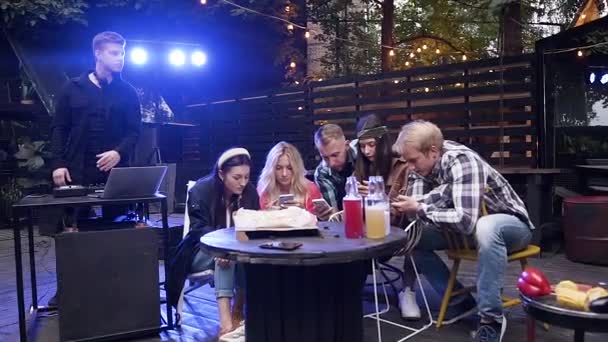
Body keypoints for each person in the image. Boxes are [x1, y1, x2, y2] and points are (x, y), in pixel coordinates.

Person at [390, 120, 533, 342]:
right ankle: (462, 305)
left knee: (486, 227)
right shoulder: (420, 165)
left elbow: (465, 220)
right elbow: (416, 212)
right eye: (406, 161)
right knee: (412, 238)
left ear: (433, 151)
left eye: (413, 160)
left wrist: (420, 207)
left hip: (511, 226)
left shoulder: (461, 160)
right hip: (470, 232)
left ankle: (491, 319)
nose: (409, 167)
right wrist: (404, 206)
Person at [46, 31, 141, 307]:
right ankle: (67, 289)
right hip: (77, 169)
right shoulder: (71, 88)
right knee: (72, 230)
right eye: (114, 53)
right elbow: (59, 129)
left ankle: (117, 286)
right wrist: (58, 163)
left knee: (118, 226)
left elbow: (135, 132)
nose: (120, 58)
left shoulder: (128, 92)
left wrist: (118, 152)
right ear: (98, 53)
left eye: (122, 53)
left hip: (114, 172)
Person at [168, 148, 259, 336]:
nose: (243, 183)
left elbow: (253, 228)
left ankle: (237, 313)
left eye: (246, 177)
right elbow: (198, 231)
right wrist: (222, 249)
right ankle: (226, 325)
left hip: (235, 252)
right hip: (200, 251)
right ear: (221, 174)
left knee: (240, 256)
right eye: (237, 177)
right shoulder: (201, 190)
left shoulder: (250, 193)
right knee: (226, 257)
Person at [257, 141, 322, 214]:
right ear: (271, 170)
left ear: (296, 168)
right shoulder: (264, 190)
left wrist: (302, 212)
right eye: (278, 168)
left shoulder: (311, 190)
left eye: (290, 168)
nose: (284, 174)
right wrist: (268, 213)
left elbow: (317, 222)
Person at [313, 124, 357, 219]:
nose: (331, 163)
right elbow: (335, 217)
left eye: (335, 155)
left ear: (347, 145)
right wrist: (328, 215)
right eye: (325, 157)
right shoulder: (322, 173)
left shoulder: (363, 153)